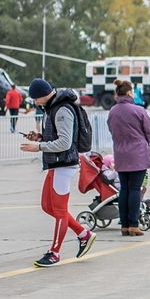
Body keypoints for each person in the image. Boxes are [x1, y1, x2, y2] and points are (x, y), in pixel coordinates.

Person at [19, 78, 96, 266]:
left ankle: (54, 253)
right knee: (47, 206)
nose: (35, 102)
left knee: (59, 210)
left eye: (35, 99)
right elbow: (56, 136)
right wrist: (39, 137)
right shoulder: (51, 108)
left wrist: (38, 147)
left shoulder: (62, 110)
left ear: (43, 95)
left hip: (64, 164)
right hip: (56, 163)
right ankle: (83, 233)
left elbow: (65, 142)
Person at [106, 79, 150, 236]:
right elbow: (149, 131)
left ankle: (124, 224)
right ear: (128, 92)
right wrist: (143, 143)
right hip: (138, 153)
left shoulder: (113, 111)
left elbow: (111, 129)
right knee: (134, 188)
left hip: (120, 153)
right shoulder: (138, 110)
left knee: (124, 189)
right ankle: (133, 224)